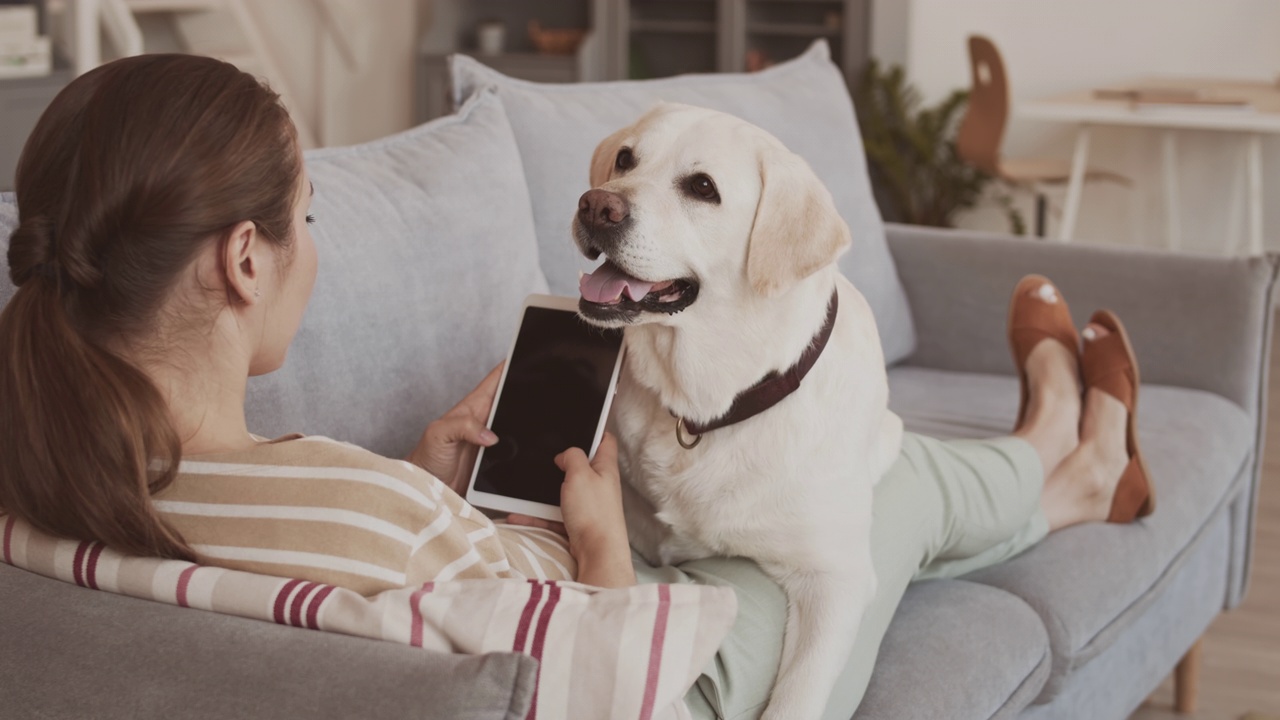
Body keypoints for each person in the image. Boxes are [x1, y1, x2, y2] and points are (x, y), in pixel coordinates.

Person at [0, 55, 1152, 719]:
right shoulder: (363, 510)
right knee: (888, 486)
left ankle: (1062, 456)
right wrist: (598, 544)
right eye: (309, 218)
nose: (314, 244)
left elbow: (371, 573)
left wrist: (419, 482)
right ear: (243, 261)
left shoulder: (40, 487)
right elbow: (590, 671)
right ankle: (1069, 444)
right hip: (651, 667)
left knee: (879, 471)